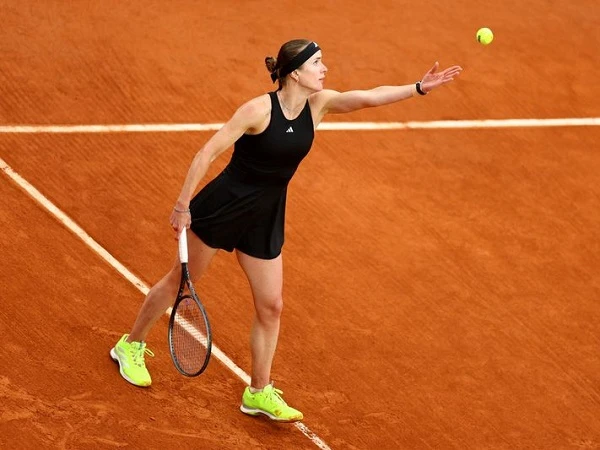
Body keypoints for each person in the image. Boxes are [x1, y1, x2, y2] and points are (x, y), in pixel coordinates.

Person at [110, 39, 462, 422]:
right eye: (317, 63)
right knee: (180, 280)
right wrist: (182, 205)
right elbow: (207, 152)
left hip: (265, 215)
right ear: (295, 73)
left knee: (271, 305)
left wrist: (418, 87)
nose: (324, 69)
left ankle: (258, 392)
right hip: (224, 207)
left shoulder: (319, 105)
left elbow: (368, 97)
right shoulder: (258, 110)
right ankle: (130, 345)